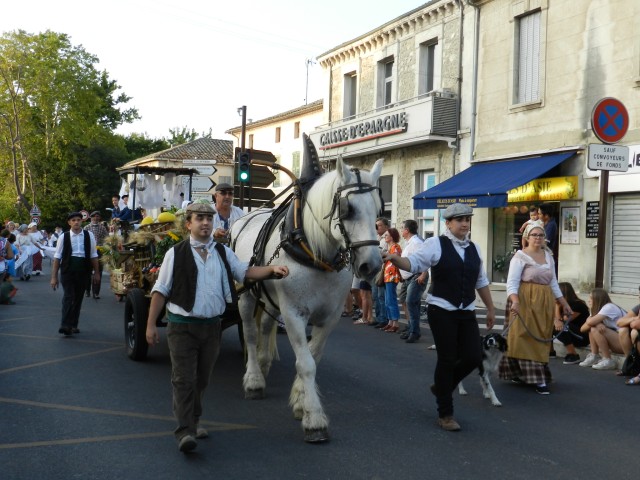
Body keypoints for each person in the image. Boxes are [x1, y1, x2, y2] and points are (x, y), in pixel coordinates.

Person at [145, 202, 289, 453]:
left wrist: (272, 271)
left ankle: (194, 420)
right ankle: (185, 431)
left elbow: (245, 271)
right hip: (182, 327)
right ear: (188, 223)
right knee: (183, 380)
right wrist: (150, 326)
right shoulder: (175, 253)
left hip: (212, 328)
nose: (205, 223)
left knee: (201, 380)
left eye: (209, 219)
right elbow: (160, 290)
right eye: (199, 218)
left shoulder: (222, 253)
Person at [384, 203, 496, 432]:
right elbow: (413, 263)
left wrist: (491, 308)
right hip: (441, 308)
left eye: (467, 219)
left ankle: (442, 386)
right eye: (459, 219)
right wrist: (393, 259)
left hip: (466, 310)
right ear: (448, 223)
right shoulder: (435, 244)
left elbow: (480, 281)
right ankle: (445, 413)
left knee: (474, 356)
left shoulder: (475, 248)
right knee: (447, 358)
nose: (465, 223)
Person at [500, 224, 572, 394]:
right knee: (522, 337)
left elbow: (553, 282)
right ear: (527, 237)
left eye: (540, 234)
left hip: (544, 301)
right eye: (534, 234)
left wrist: (564, 303)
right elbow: (512, 282)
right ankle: (537, 379)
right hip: (524, 299)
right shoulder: (520, 256)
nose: (538, 237)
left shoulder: (548, 256)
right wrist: (515, 301)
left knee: (541, 336)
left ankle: (524, 374)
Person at [50, 212, 100, 336]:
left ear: (82, 221)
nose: (76, 222)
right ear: (69, 222)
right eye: (73, 220)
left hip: (83, 270)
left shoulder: (89, 236)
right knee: (68, 296)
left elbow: (93, 255)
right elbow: (57, 257)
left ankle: (73, 325)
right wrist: (54, 277)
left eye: (78, 220)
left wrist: (97, 273)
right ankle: (65, 325)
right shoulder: (64, 237)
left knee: (78, 298)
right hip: (68, 270)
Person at [578, 288, 626, 370]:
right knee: (593, 327)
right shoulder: (596, 310)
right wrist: (596, 323)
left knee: (594, 328)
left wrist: (594, 322)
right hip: (616, 342)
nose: (588, 300)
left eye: (591, 298)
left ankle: (608, 360)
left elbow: (589, 322)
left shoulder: (609, 307)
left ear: (598, 299)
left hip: (626, 344)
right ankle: (594, 356)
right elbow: (582, 329)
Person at [398, 219, 427, 343]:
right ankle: (411, 328)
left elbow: (426, 258)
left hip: (416, 276)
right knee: (405, 300)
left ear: (407, 230)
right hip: (407, 278)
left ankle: (415, 332)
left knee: (411, 302)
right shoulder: (410, 242)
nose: (401, 231)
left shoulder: (416, 242)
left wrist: (424, 274)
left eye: (402, 228)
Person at [553, 282, 590, 364]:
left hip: (582, 337)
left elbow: (564, 321)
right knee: (550, 324)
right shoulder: (561, 305)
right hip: (571, 334)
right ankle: (550, 351)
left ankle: (573, 354)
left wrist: (557, 306)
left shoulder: (578, 304)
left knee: (561, 326)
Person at [84, 211, 109, 299]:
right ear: (91, 218)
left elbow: (107, 238)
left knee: (98, 272)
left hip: (99, 251)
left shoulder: (102, 228)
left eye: (97, 217)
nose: (96, 218)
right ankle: (87, 290)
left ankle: (96, 292)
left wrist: (105, 247)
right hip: (89, 251)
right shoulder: (86, 227)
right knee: (87, 272)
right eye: (94, 217)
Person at [381, 227, 402, 333]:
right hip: (387, 276)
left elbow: (396, 258)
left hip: (392, 275)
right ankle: (390, 322)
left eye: (386, 235)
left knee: (391, 300)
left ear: (392, 236)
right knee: (387, 300)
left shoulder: (395, 247)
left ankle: (395, 323)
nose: (385, 237)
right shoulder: (390, 247)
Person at [370, 217, 389, 329]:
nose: (377, 227)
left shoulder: (386, 238)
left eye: (380, 225)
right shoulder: (377, 237)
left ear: (386, 226)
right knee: (375, 295)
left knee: (381, 296)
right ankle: (379, 317)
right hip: (375, 269)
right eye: (376, 225)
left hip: (381, 269)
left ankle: (383, 318)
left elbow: (383, 253)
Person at [615, 285, 640, 360]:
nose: (639, 297)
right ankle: (630, 364)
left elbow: (636, 324)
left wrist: (634, 322)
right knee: (623, 330)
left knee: (635, 333)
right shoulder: (638, 307)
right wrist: (634, 318)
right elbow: (619, 322)